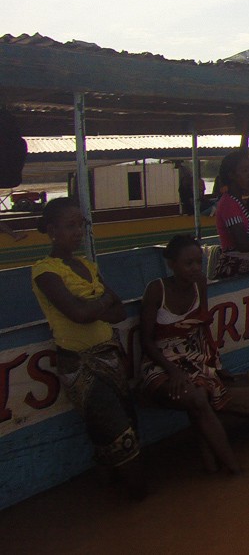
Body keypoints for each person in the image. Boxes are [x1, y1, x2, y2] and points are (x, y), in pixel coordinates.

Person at [30, 197, 144, 495]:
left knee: (110, 428)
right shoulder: (45, 270)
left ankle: (115, 498)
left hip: (109, 357)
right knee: (116, 429)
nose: (78, 232)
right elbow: (78, 315)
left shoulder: (86, 266)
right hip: (80, 365)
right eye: (70, 226)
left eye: (81, 225)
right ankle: (139, 496)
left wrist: (92, 304)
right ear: (52, 229)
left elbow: (117, 311)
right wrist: (100, 302)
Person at [139, 235, 241, 475]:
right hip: (160, 363)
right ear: (171, 264)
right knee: (198, 400)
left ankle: (212, 465)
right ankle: (234, 468)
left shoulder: (200, 284)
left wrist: (216, 364)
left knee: (201, 400)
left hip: (193, 359)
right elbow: (146, 341)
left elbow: (203, 328)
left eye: (198, 261)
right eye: (188, 263)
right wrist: (172, 371)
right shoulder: (156, 290)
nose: (195, 268)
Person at [211, 149, 249, 279]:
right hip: (235, 268)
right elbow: (242, 243)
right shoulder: (228, 203)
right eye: (244, 171)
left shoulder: (238, 202)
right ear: (231, 175)